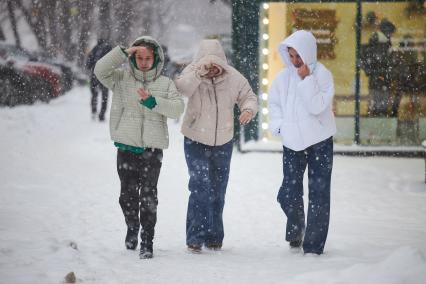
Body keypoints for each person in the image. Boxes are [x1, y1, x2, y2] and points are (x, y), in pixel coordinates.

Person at [94, 36, 184, 259]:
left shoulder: (165, 83)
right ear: (134, 58)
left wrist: (153, 102)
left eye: (148, 58)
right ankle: (132, 226)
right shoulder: (121, 78)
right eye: (140, 58)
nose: (144, 62)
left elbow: (176, 109)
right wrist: (123, 52)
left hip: (152, 150)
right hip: (126, 147)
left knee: (149, 196)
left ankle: (147, 240)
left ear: (156, 59)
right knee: (127, 196)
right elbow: (99, 70)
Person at [175, 39, 258, 253]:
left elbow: (249, 96)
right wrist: (199, 72)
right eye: (207, 64)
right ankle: (195, 237)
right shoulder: (191, 73)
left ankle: (214, 237)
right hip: (195, 140)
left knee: (218, 190)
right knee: (199, 186)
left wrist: (248, 109)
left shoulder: (233, 77)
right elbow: (181, 89)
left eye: (215, 65)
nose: (212, 69)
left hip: (223, 142)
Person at [268, 30, 336, 255]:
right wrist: (280, 126)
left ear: (308, 53)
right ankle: (297, 230)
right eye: (291, 56)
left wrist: (307, 79)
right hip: (292, 142)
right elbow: (275, 105)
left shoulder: (323, 75)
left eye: (299, 56)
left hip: (320, 141)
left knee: (319, 193)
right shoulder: (282, 77)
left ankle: (314, 246)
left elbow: (317, 106)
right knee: (288, 192)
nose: (295, 61)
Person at [360, 18, 396, 116]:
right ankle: (379, 119)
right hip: (380, 78)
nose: (391, 35)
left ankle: (378, 119)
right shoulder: (381, 43)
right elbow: (383, 60)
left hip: (378, 78)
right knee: (380, 104)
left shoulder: (381, 43)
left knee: (378, 104)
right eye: (390, 32)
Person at [86, 38, 112, 121]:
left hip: (95, 75)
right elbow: (112, 62)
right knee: (105, 96)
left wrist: (91, 67)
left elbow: (88, 63)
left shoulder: (95, 49)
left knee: (94, 95)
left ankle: (94, 111)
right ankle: (102, 115)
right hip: (105, 75)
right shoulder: (108, 48)